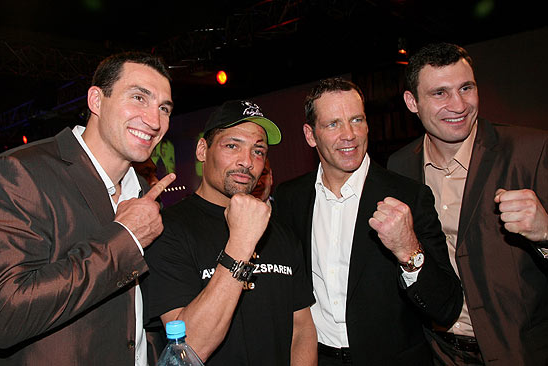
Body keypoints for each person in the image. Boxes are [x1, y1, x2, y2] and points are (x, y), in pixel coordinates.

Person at [0, 52, 176, 365]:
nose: (155, 120)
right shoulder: (22, 171)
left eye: (164, 108)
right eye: (138, 98)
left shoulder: (144, 194)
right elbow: (7, 314)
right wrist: (124, 239)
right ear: (96, 100)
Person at [273, 78, 463, 366]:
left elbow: (447, 308)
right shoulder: (290, 198)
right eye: (333, 124)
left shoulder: (408, 196)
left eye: (356, 120)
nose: (349, 134)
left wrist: (409, 250)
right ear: (310, 135)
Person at [388, 42, 548, 365]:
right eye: (440, 93)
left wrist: (547, 234)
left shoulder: (532, 151)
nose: (458, 105)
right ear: (412, 102)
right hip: (437, 352)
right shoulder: (400, 166)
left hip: (521, 353)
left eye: (466, 88)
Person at [143, 100, 317, 365]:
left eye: (258, 151)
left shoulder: (280, 232)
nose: (247, 162)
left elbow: (301, 329)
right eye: (232, 146)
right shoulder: (167, 230)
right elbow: (189, 349)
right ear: (203, 149)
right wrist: (241, 243)